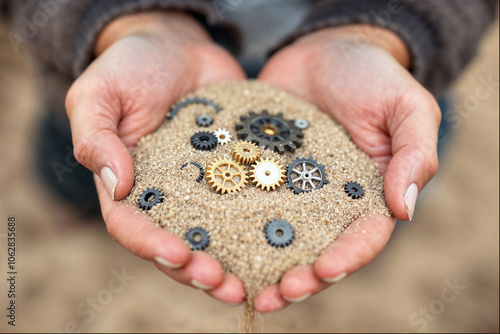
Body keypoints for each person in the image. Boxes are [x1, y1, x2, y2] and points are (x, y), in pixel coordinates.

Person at [1, 0, 497, 311]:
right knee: (76, 165)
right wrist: (129, 20)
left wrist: (388, 31)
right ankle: (74, 207)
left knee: (401, 177)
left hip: (361, 72)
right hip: (124, 69)